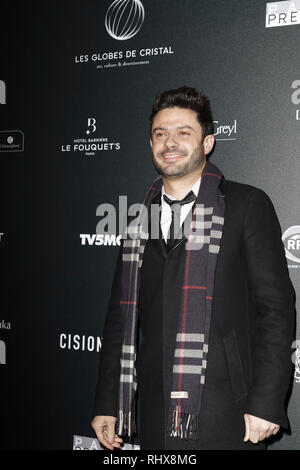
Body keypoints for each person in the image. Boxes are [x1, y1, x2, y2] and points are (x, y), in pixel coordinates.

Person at [91, 86, 296, 450]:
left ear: (207, 142)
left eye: (183, 132)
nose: (170, 142)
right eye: (160, 133)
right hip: (153, 410)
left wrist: (267, 401)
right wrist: (109, 401)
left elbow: (276, 311)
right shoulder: (137, 219)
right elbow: (119, 320)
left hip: (230, 410)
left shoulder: (248, 204)